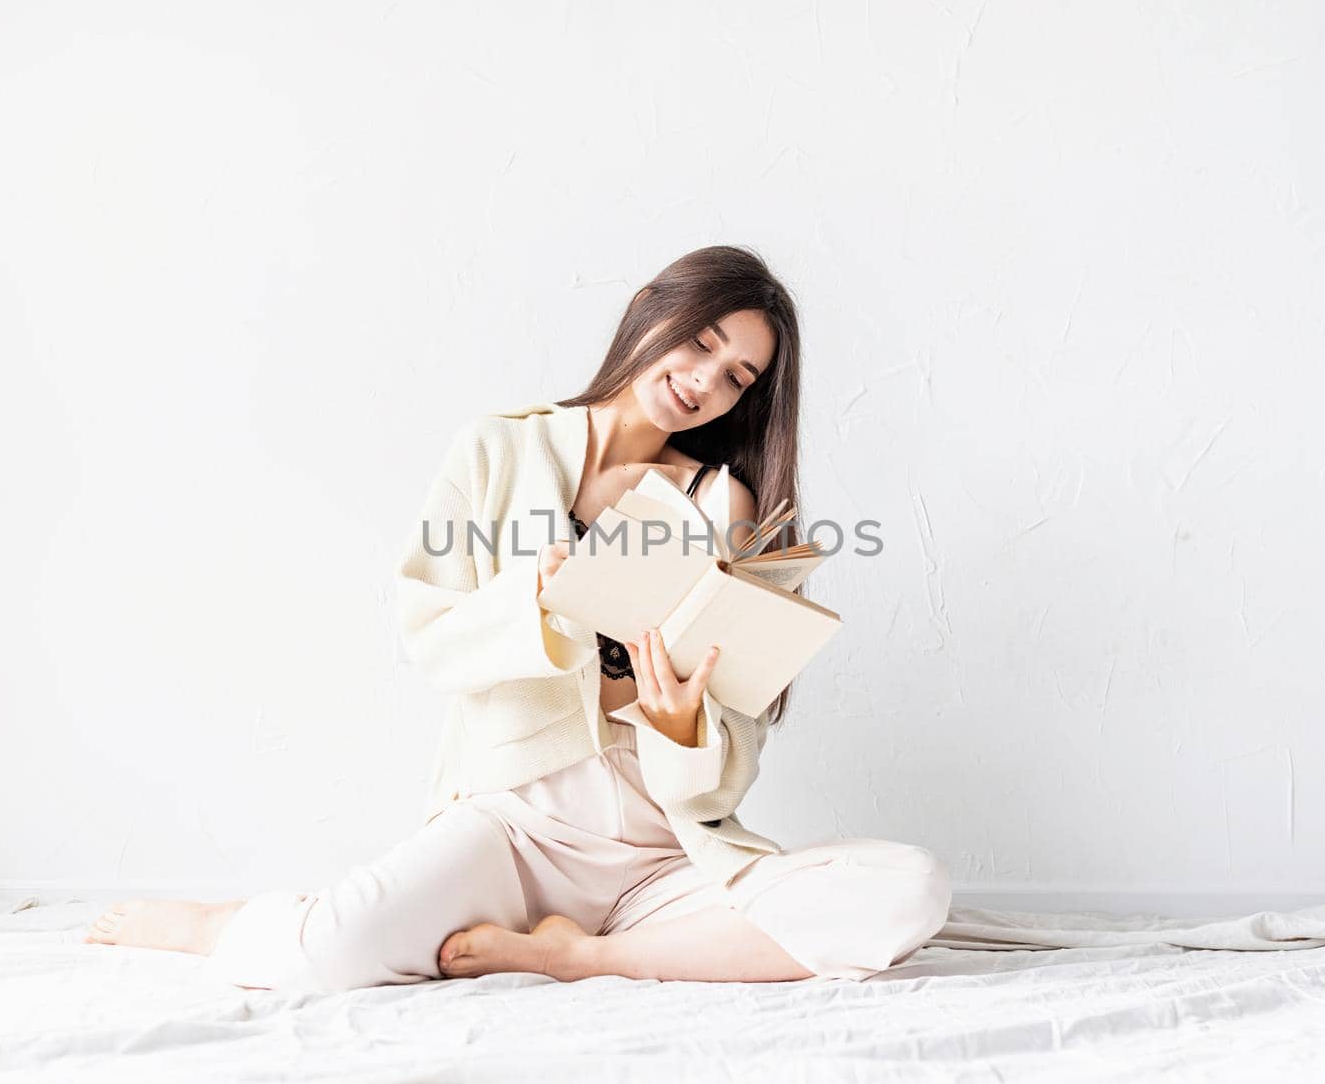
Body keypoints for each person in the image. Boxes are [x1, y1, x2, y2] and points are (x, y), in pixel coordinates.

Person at [83, 245, 951, 989]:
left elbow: (735, 735)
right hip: (514, 825)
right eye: (701, 341)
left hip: (662, 850)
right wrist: (536, 602)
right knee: (329, 953)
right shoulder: (497, 452)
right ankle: (227, 922)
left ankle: (581, 957)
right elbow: (430, 634)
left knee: (909, 890)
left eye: (737, 377)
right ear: (651, 312)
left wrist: (682, 726)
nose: (704, 381)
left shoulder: (723, 500)